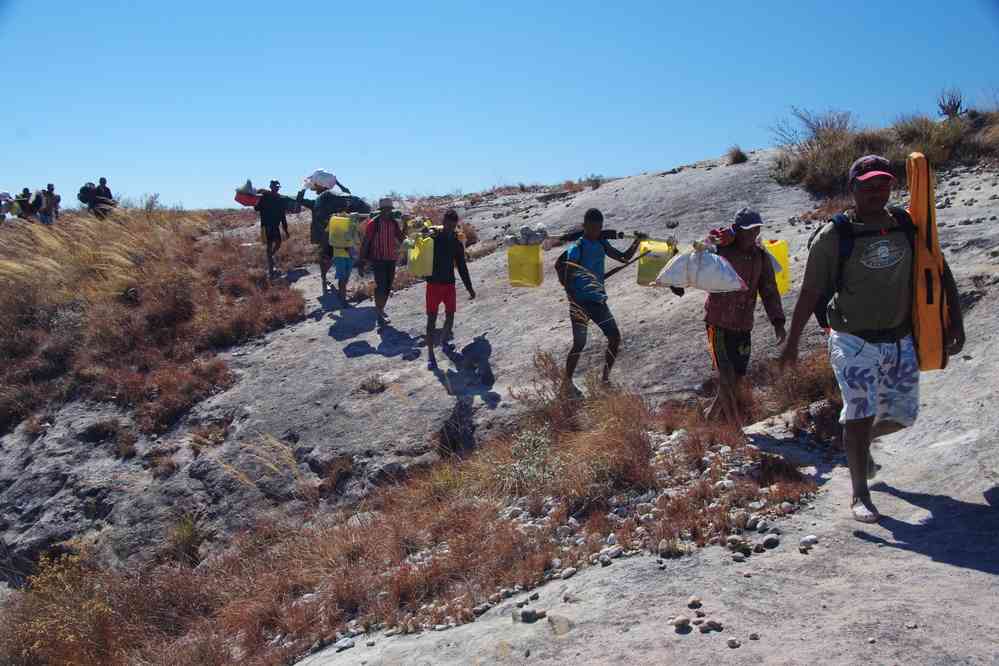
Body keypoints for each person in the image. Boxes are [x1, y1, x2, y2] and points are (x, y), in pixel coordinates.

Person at [780, 155, 965, 524]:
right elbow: (811, 291)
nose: (877, 191)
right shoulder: (836, 235)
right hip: (852, 341)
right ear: (853, 188)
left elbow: (939, 272)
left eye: (883, 184)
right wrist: (792, 341)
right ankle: (859, 495)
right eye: (868, 185)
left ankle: (855, 444)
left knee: (902, 417)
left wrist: (954, 322)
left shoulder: (907, 225)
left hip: (899, 339)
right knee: (861, 413)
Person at [703, 208, 786, 427]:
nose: (753, 234)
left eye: (756, 229)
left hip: (743, 325)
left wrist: (778, 322)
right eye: (748, 230)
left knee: (737, 377)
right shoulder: (722, 248)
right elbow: (700, 249)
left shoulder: (760, 257)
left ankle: (710, 418)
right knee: (726, 375)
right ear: (737, 229)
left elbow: (769, 289)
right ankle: (734, 428)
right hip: (717, 323)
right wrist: (723, 235)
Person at [558, 208, 644, 397]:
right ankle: (567, 383)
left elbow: (623, 258)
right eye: (592, 228)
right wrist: (573, 300)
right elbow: (567, 277)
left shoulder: (602, 243)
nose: (596, 231)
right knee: (579, 344)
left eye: (599, 228)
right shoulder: (577, 248)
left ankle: (605, 380)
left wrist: (638, 242)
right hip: (580, 304)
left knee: (614, 337)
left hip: (598, 301)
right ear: (584, 226)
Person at [425, 209, 476, 368]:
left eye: (452, 225)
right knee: (431, 319)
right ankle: (430, 354)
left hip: (449, 284)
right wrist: (425, 231)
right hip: (433, 284)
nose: (449, 227)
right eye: (447, 224)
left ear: (455, 225)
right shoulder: (433, 237)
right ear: (443, 222)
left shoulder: (455, 241)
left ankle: (444, 341)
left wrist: (469, 287)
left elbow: (461, 266)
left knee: (450, 316)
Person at [360, 198, 407, 326]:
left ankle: (380, 309)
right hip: (378, 259)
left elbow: (401, 238)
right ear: (381, 210)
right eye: (385, 210)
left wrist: (406, 224)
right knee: (381, 286)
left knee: (387, 286)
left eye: (389, 210)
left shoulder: (394, 223)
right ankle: (379, 313)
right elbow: (366, 242)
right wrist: (362, 260)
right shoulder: (373, 223)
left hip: (391, 259)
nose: (387, 212)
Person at [297, 179, 348, 292]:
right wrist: (304, 187)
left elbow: (347, 194)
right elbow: (299, 200)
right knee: (325, 258)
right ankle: (324, 279)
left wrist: (337, 183)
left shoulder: (334, 202)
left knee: (328, 258)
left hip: (332, 235)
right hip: (325, 236)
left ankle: (325, 279)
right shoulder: (317, 203)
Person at [254, 180, 290, 277]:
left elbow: (283, 216)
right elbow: (257, 208)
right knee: (269, 247)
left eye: (277, 186)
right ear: (271, 186)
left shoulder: (280, 199)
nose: (276, 187)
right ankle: (271, 271)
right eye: (274, 186)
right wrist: (257, 201)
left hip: (275, 226)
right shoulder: (264, 197)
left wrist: (285, 230)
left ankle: (270, 258)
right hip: (266, 226)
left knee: (278, 243)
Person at [329, 212, 363, 306]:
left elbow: (329, 234)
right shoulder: (350, 224)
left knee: (344, 278)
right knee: (343, 278)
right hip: (345, 255)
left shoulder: (337, 224)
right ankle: (343, 300)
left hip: (344, 254)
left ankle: (341, 294)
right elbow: (356, 240)